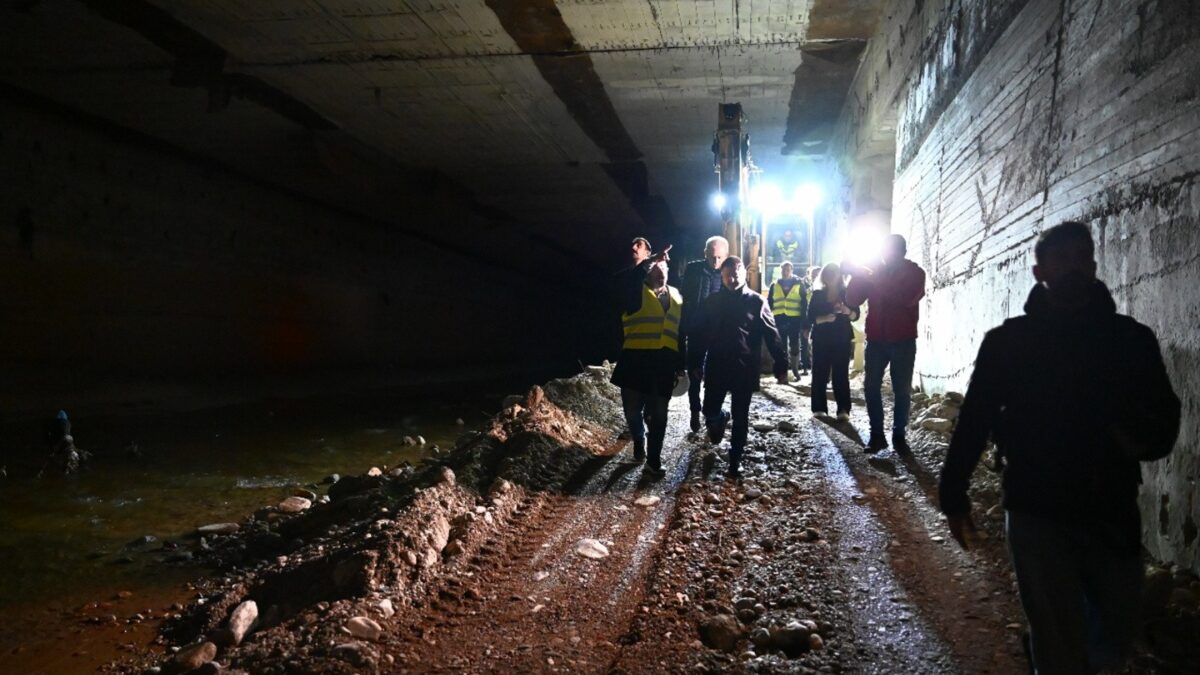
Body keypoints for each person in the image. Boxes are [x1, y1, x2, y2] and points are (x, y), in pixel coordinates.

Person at [938, 222, 1180, 675]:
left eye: (1081, 257)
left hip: (1110, 506)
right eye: (1061, 258)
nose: (1072, 266)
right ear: (1038, 271)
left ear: (1093, 266)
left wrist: (1134, 439)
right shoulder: (1009, 343)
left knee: (1115, 632)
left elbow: (1165, 414)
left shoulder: (1131, 340)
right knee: (1057, 640)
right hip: (1037, 507)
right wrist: (953, 495)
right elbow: (975, 420)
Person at [691, 256, 789, 479]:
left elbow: (772, 335)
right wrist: (695, 362)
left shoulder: (756, 302)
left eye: (735, 274)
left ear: (743, 273)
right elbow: (698, 335)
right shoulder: (712, 302)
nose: (731, 279)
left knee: (741, 416)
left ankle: (735, 460)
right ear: (722, 277)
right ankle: (719, 418)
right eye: (727, 276)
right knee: (709, 410)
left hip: (744, 368)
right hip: (716, 366)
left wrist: (780, 364)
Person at [845, 234, 926, 453]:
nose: (885, 255)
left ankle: (899, 436)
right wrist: (856, 275)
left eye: (889, 251)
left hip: (903, 340)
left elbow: (905, 298)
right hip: (877, 339)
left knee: (901, 391)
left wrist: (872, 277)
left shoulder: (915, 273)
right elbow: (853, 299)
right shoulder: (874, 272)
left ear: (902, 252)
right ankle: (877, 435)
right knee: (871, 387)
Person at [611, 245, 681, 479]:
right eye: (655, 268)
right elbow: (627, 277)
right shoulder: (634, 292)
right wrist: (651, 258)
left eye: (664, 267)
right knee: (632, 412)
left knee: (660, 414)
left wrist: (684, 365)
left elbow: (682, 334)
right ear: (647, 272)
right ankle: (639, 439)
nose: (661, 271)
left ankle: (653, 461)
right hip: (635, 361)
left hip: (662, 364)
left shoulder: (678, 297)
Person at [680, 236, 729, 432]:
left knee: (714, 376)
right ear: (705, 253)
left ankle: (711, 414)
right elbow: (685, 299)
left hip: (718, 334)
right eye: (712, 256)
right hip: (696, 331)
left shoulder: (729, 272)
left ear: (725, 256)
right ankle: (694, 410)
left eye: (719, 257)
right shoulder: (693, 270)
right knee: (694, 374)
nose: (715, 261)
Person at [806, 263, 858, 420]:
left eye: (834, 272)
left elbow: (856, 315)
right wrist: (824, 319)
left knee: (840, 374)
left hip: (842, 338)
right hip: (821, 338)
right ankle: (819, 408)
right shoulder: (817, 294)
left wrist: (846, 311)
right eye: (828, 272)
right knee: (819, 373)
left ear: (839, 275)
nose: (831, 275)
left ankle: (843, 409)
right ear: (823, 275)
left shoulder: (847, 294)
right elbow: (809, 317)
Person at [767, 261, 808, 381]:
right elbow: (769, 303)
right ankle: (782, 374)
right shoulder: (774, 285)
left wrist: (804, 321)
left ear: (792, 270)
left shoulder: (799, 284)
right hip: (779, 318)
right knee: (781, 346)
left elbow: (804, 303)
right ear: (781, 270)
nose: (786, 271)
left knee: (795, 345)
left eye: (788, 269)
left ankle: (795, 370)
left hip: (794, 318)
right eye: (784, 269)